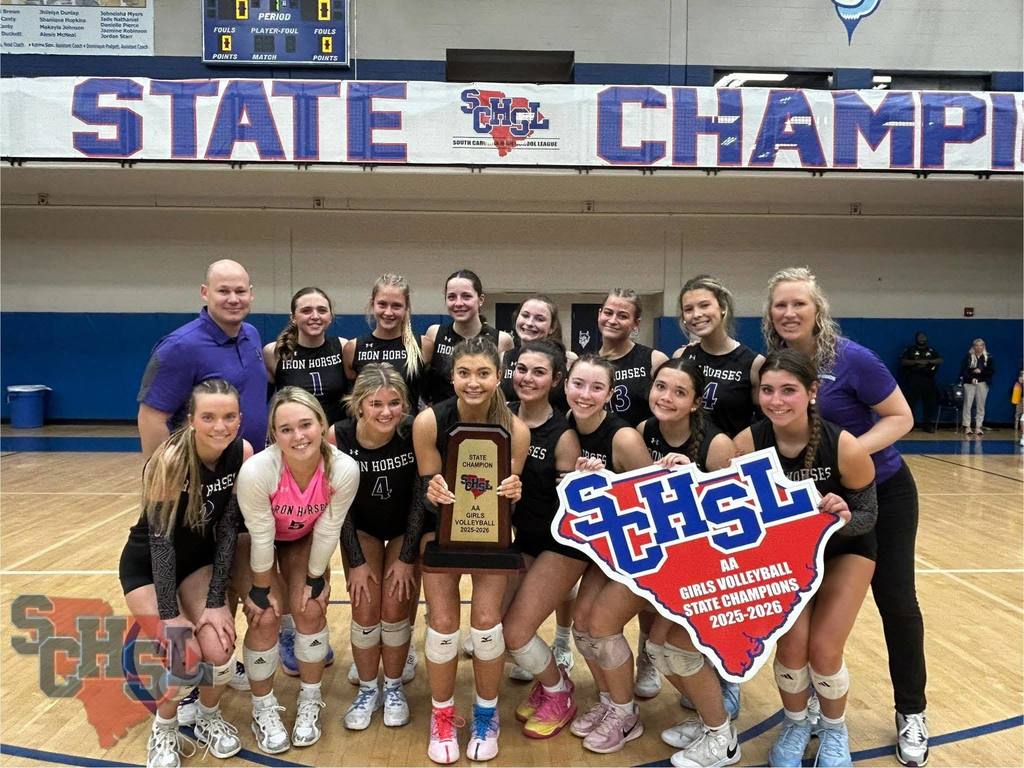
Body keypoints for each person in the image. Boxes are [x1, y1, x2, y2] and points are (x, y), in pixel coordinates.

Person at [764, 267, 928, 767]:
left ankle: (911, 712)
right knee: (803, 613)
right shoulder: (774, 365)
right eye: (780, 305)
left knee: (897, 601)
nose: (789, 313)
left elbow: (902, 418)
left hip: (881, 491)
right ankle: (810, 711)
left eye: (799, 304)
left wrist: (847, 453)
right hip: (814, 506)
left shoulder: (853, 359)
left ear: (819, 310)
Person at [733, 349, 879, 767]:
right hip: (784, 558)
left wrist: (840, 516)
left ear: (812, 392)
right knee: (792, 646)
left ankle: (834, 731)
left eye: (789, 391)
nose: (776, 400)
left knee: (824, 649)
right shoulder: (749, 442)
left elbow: (867, 516)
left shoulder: (845, 445)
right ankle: (796, 723)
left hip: (844, 551)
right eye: (767, 391)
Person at [119, 379, 253, 768]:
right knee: (184, 658)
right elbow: (160, 542)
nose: (220, 426)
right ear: (191, 420)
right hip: (147, 566)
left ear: (240, 419)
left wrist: (215, 603)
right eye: (208, 417)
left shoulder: (241, 453)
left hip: (196, 563)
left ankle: (209, 716)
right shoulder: (170, 460)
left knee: (219, 648)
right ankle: (165, 726)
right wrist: (170, 612)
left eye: (229, 416)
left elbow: (229, 527)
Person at [414, 336, 530, 764]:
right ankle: (442, 715)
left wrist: (513, 490)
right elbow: (425, 493)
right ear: (452, 376)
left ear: (499, 377)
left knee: (485, 624)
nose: (473, 382)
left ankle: (486, 712)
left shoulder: (516, 430)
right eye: (464, 373)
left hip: (491, 535)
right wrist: (434, 489)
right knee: (443, 624)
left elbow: (506, 499)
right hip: (441, 535)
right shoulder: (429, 421)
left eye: (483, 373)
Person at [236, 387, 359, 754]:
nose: (298, 436)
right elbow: (260, 535)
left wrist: (316, 578)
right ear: (274, 434)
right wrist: (260, 589)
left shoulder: (343, 468)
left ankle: (310, 699)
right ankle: (263, 707)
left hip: (302, 537)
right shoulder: (258, 470)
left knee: (309, 607)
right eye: (286, 429)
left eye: (306, 424)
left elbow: (328, 528)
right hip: (256, 539)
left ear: (322, 424)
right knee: (266, 616)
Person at [561, 355, 655, 754]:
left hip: (636, 549)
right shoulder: (562, 427)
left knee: (601, 625)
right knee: (581, 624)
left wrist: (606, 484)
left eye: (596, 388)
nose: (585, 394)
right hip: (598, 549)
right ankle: (607, 702)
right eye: (578, 384)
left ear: (610, 395)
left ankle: (626, 711)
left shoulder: (623, 438)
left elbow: (652, 500)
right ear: (565, 385)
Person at [502, 340, 594, 739]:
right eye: (522, 369)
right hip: (522, 541)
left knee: (516, 633)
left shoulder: (564, 435)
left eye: (539, 372)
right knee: (494, 628)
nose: (527, 378)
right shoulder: (502, 421)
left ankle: (559, 692)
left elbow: (572, 510)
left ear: (556, 379)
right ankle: (551, 682)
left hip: (562, 545)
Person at [328, 364, 423, 730]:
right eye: (376, 403)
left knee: (396, 602)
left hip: (404, 527)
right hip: (362, 527)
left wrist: (405, 557)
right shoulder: (339, 436)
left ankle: (395, 686)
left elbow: (419, 501)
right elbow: (339, 506)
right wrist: (355, 560)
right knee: (366, 604)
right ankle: (369, 689)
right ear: (359, 404)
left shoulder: (412, 432)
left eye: (394, 403)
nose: (386, 412)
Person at [595, 288, 668, 700]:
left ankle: (648, 658)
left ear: (636, 323)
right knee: (605, 579)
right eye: (608, 312)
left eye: (623, 315)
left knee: (646, 576)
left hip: (642, 472)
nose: (613, 319)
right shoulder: (581, 363)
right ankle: (584, 647)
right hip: (602, 477)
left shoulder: (653, 360)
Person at [138, 259, 267, 459]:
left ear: (251, 294)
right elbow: (151, 418)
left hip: (251, 467)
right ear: (205, 292)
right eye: (223, 291)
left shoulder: (252, 335)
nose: (233, 299)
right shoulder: (179, 347)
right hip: (203, 475)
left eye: (240, 291)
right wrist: (164, 479)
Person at [673, 275, 765, 438]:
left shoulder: (753, 364)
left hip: (730, 456)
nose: (696, 314)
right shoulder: (682, 356)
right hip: (685, 457)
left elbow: (764, 423)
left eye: (704, 305)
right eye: (688, 309)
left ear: (722, 307)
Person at [422, 269, 514, 406]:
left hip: (484, 420)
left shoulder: (502, 340)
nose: (458, 303)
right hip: (441, 420)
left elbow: (505, 390)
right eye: (452, 297)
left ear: (480, 300)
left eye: (466, 296)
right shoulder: (434, 334)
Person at [264, 287, 349, 425]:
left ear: (330, 316)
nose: (315, 316)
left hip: (335, 438)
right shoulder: (274, 352)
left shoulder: (343, 347)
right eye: (306, 311)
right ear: (293, 317)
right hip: (295, 438)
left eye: (322, 310)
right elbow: (261, 403)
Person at [344, 273, 425, 410]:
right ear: (372, 304)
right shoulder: (353, 348)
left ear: (406, 308)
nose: (388, 312)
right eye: (382, 304)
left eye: (396, 306)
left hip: (409, 429)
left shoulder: (422, 346)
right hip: (368, 428)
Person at [500, 295, 575, 408]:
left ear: (552, 327)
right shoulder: (503, 357)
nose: (529, 323)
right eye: (525, 315)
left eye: (539, 319)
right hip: (509, 423)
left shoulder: (568, 360)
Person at [900, 332, 942, 433]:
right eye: (920, 337)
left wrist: (928, 362)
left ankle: (927, 425)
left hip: (928, 379)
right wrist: (917, 362)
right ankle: (910, 425)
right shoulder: (910, 350)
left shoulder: (931, 350)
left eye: (923, 337)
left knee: (929, 403)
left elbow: (940, 360)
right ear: (916, 338)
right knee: (910, 403)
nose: (922, 338)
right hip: (913, 380)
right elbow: (903, 361)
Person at [959, 339, 994, 436]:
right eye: (976, 345)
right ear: (973, 346)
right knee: (968, 405)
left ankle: (978, 427)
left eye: (980, 345)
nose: (978, 347)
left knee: (980, 406)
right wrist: (971, 379)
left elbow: (991, 372)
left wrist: (980, 372)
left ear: (984, 346)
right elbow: (963, 371)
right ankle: (967, 426)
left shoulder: (988, 357)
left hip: (982, 383)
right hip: (969, 383)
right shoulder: (968, 357)